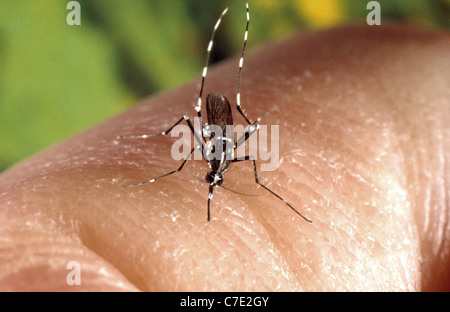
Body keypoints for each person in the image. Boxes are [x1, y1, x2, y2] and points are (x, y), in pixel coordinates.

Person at [0, 24, 449, 291]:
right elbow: (210, 146)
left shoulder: (226, 159)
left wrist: (249, 170)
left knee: (233, 134)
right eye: (212, 180)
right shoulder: (211, 156)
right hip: (216, 126)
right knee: (194, 114)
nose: (212, 180)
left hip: (224, 128)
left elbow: (247, 158)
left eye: (213, 180)